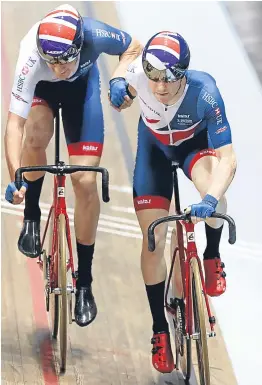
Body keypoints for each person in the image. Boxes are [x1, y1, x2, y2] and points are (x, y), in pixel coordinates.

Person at [4, 4, 142, 328]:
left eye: (63, 61)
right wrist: (15, 178)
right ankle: (32, 217)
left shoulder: (95, 34)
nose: (56, 68)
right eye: (50, 61)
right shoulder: (31, 56)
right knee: (36, 132)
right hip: (43, 95)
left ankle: (85, 282)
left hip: (83, 93)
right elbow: (14, 127)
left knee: (85, 182)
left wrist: (120, 78)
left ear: (79, 46)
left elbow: (134, 46)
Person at [109, 31, 237, 373]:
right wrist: (118, 85)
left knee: (216, 189)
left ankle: (211, 255)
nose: (160, 85)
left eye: (169, 77)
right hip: (154, 151)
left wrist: (209, 199)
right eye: (153, 75)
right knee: (153, 240)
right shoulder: (141, 71)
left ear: (184, 72)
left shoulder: (205, 92)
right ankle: (159, 330)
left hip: (193, 148)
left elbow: (228, 158)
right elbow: (125, 64)